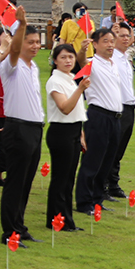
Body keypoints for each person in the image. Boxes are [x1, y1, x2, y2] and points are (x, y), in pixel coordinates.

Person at [0, 20, 44, 244]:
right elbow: (13, 51)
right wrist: (21, 24)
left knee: (27, 181)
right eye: (30, 42)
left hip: (34, 128)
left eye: (38, 42)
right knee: (15, 181)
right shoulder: (11, 66)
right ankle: (9, 231)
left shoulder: (34, 68)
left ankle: (19, 226)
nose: (35, 46)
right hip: (18, 127)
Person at [76, 25, 125, 215]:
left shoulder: (113, 64)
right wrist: (81, 49)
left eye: (112, 41)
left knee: (106, 161)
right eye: (105, 41)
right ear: (95, 44)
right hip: (98, 117)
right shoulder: (91, 62)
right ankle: (84, 201)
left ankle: (97, 198)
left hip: (115, 118)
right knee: (92, 161)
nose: (110, 45)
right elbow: (81, 61)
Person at [44, 42, 89, 234]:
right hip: (60, 132)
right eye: (63, 57)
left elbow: (77, 111)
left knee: (69, 178)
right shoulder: (55, 81)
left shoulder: (71, 78)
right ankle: (56, 218)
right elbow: (65, 107)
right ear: (55, 61)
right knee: (61, 178)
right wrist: (80, 89)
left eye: (70, 57)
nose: (68, 60)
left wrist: (81, 134)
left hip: (73, 130)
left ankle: (66, 218)